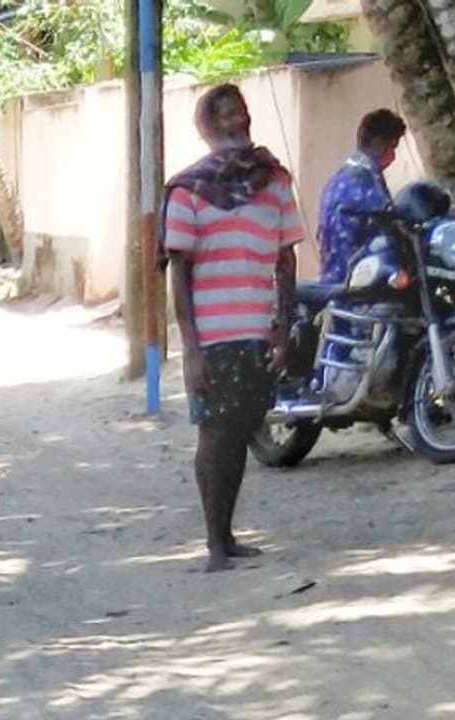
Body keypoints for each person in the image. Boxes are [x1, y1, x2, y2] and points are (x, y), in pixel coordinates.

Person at [161, 84, 303, 573]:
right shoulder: (187, 190)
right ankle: (214, 542)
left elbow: (286, 258)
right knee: (214, 435)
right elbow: (178, 272)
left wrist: (283, 330)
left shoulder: (275, 181)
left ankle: (228, 534)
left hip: (257, 331)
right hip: (214, 336)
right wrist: (192, 349)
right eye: (223, 117)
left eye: (240, 114)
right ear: (205, 129)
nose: (235, 123)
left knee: (242, 430)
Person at [317, 109, 408, 284]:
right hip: (358, 287)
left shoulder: (340, 177)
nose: (393, 155)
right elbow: (394, 222)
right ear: (379, 144)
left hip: (334, 278)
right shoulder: (364, 182)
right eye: (392, 146)